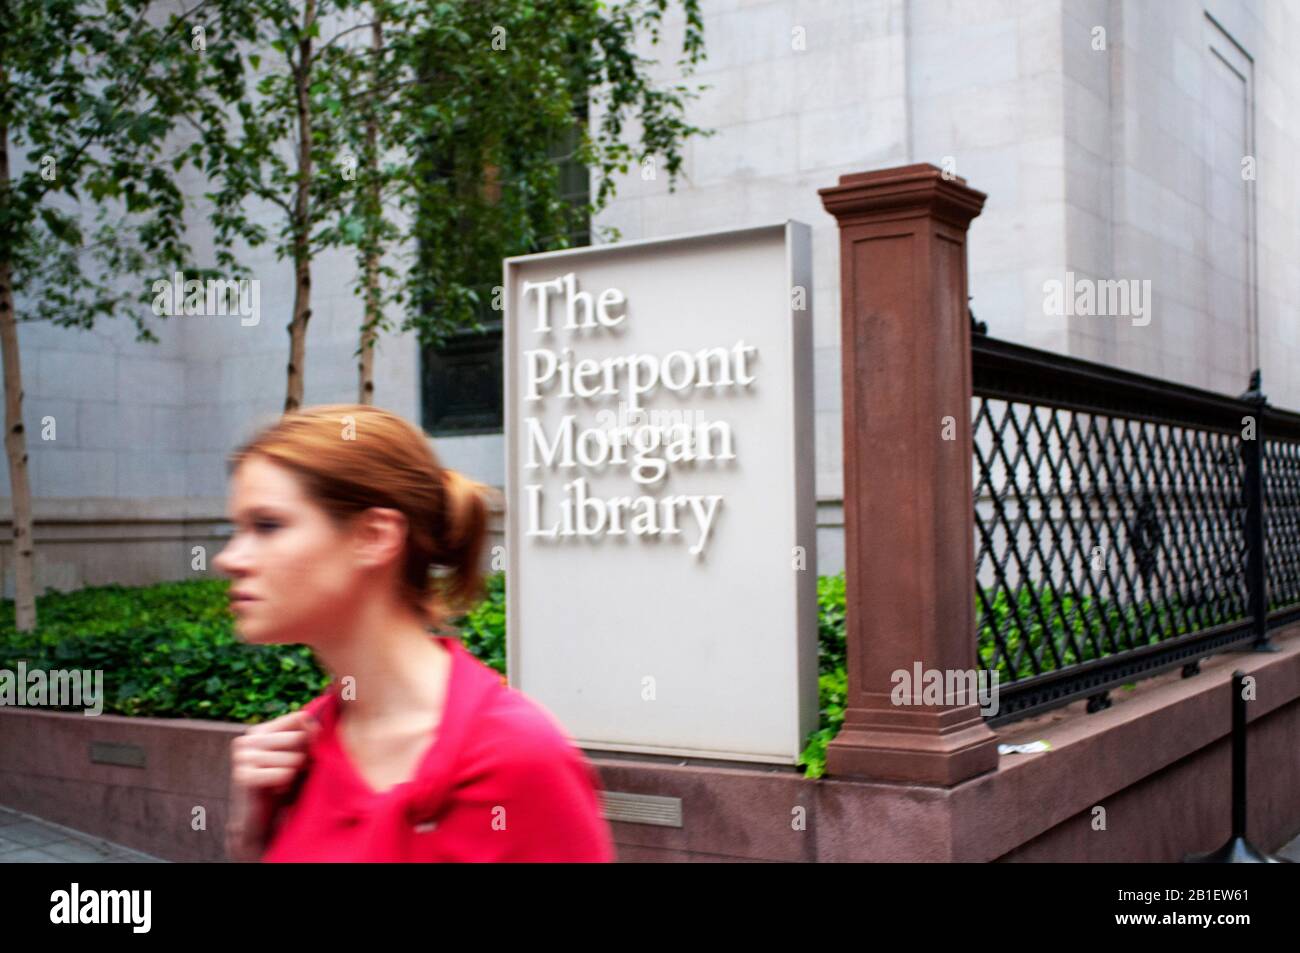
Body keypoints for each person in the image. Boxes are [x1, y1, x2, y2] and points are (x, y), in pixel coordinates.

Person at [214, 404, 615, 862]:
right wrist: (249, 842)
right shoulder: (294, 756)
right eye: (236, 528)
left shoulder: (519, 759)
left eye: (267, 525)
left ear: (375, 536)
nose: (230, 558)